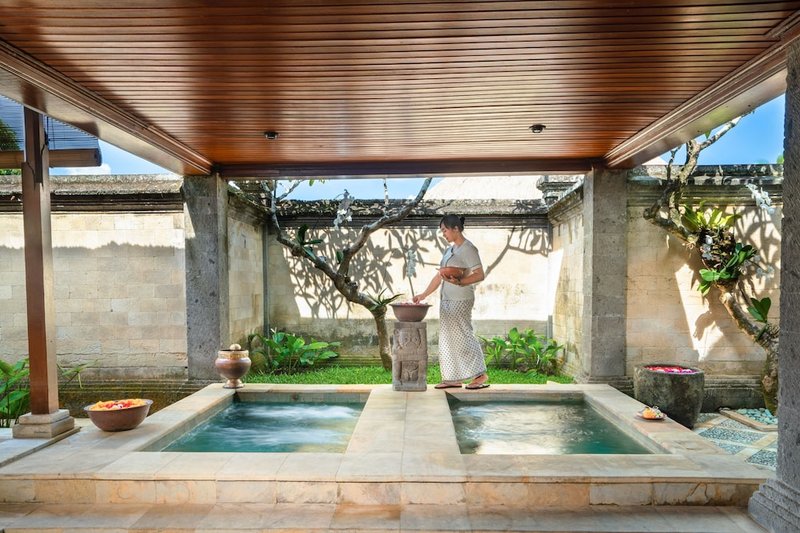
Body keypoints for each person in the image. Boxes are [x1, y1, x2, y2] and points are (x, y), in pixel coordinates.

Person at [413, 214, 489, 389]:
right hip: (446, 299)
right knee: (447, 339)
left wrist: (461, 282)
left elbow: (479, 274)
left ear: (456, 229)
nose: (443, 234)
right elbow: (440, 275)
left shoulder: (469, 249)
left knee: (463, 335)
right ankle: (452, 378)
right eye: (442, 231)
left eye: (445, 230)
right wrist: (423, 295)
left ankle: (480, 375)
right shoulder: (449, 250)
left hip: (461, 298)